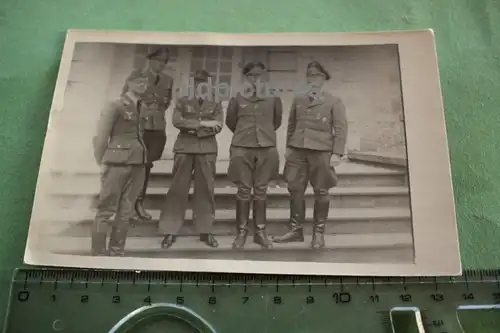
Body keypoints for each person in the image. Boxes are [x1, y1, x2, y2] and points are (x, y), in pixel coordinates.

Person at [272, 61, 348, 249]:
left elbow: (340, 129)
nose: (313, 80)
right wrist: (289, 148)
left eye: (317, 76)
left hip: (321, 152)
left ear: (323, 79)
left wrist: (337, 153)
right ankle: (296, 230)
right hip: (298, 150)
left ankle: (318, 233)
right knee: (295, 189)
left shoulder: (333, 101)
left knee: (321, 191)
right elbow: (291, 126)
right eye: (310, 76)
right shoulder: (299, 99)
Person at [158, 70, 223, 249]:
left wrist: (193, 128)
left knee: (206, 190)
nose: (200, 85)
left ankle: (205, 230)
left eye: (204, 82)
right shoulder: (182, 100)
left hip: (207, 150)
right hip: (184, 149)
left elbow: (218, 126)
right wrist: (202, 124)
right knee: (177, 189)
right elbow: (177, 121)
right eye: (197, 82)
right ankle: (170, 231)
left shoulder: (216, 102)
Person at [91, 72, 149, 256]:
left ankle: (117, 251)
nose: (143, 85)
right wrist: (102, 162)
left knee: (126, 210)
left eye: (145, 82)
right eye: (139, 81)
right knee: (106, 209)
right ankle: (98, 253)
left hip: (138, 163)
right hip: (116, 163)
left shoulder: (142, 106)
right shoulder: (116, 105)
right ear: (129, 83)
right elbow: (101, 136)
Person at [226, 62, 283, 249]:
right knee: (243, 190)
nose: (256, 79)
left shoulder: (273, 97)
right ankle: (241, 232)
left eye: (260, 75)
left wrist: (262, 136)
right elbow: (231, 122)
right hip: (242, 147)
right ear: (246, 77)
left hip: (266, 147)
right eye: (252, 76)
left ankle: (260, 232)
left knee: (261, 190)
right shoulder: (237, 97)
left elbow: (277, 121)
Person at [122, 46, 174, 221]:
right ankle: (127, 204)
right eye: (159, 60)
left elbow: (166, 103)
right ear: (150, 59)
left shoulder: (168, 80)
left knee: (147, 166)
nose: (161, 64)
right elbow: (125, 100)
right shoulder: (138, 75)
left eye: (164, 61)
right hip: (139, 127)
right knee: (134, 166)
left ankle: (139, 202)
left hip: (157, 128)